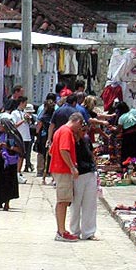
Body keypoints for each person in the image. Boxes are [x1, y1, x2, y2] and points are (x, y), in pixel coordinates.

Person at [49, 113, 85, 242]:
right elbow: (64, 150)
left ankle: (62, 229)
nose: (79, 129)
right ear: (77, 121)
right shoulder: (66, 132)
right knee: (63, 200)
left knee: (63, 200)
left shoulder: (59, 130)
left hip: (58, 168)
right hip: (63, 170)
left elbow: (51, 150)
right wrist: (72, 167)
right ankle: (61, 231)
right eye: (80, 125)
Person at [0, 114, 24, 211]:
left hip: (10, 164)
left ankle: (7, 202)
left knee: (8, 183)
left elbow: (20, 149)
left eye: (1, 125)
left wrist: (7, 147)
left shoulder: (14, 135)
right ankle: (0, 200)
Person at [69, 131, 99, 241]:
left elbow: (90, 153)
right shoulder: (71, 139)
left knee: (90, 204)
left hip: (90, 172)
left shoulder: (86, 139)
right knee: (75, 203)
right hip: (77, 174)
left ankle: (89, 232)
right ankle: (75, 231)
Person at [35, 94, 57, 179]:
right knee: (51, 153)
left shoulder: (43, 117)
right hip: (52, 136)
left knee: (41, 153)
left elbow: (37, 129)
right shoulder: (54, 117)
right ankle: (49, 170)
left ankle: (40, 170)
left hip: (43, 136)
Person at [10, 97, 33, 174]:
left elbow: (29, 124)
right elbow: (14, 125)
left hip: (27, 137)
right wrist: (23, 120)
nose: (26, 105)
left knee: (23, 155)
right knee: (19, 155)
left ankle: (19, 172)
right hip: (19, 137)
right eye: (25, 103)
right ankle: (17, 172)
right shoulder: (14, 113)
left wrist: (28, 119)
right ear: (21, 103)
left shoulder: (24, 113)